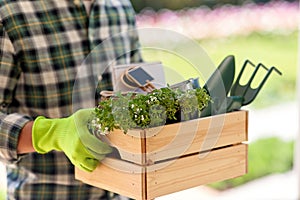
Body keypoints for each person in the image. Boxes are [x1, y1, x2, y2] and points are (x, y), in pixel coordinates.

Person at [0, 0, 142, 199]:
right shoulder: (9, 12)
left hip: (124, 192)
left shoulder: (120, 7)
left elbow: (137, 83)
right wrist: (51, 134)